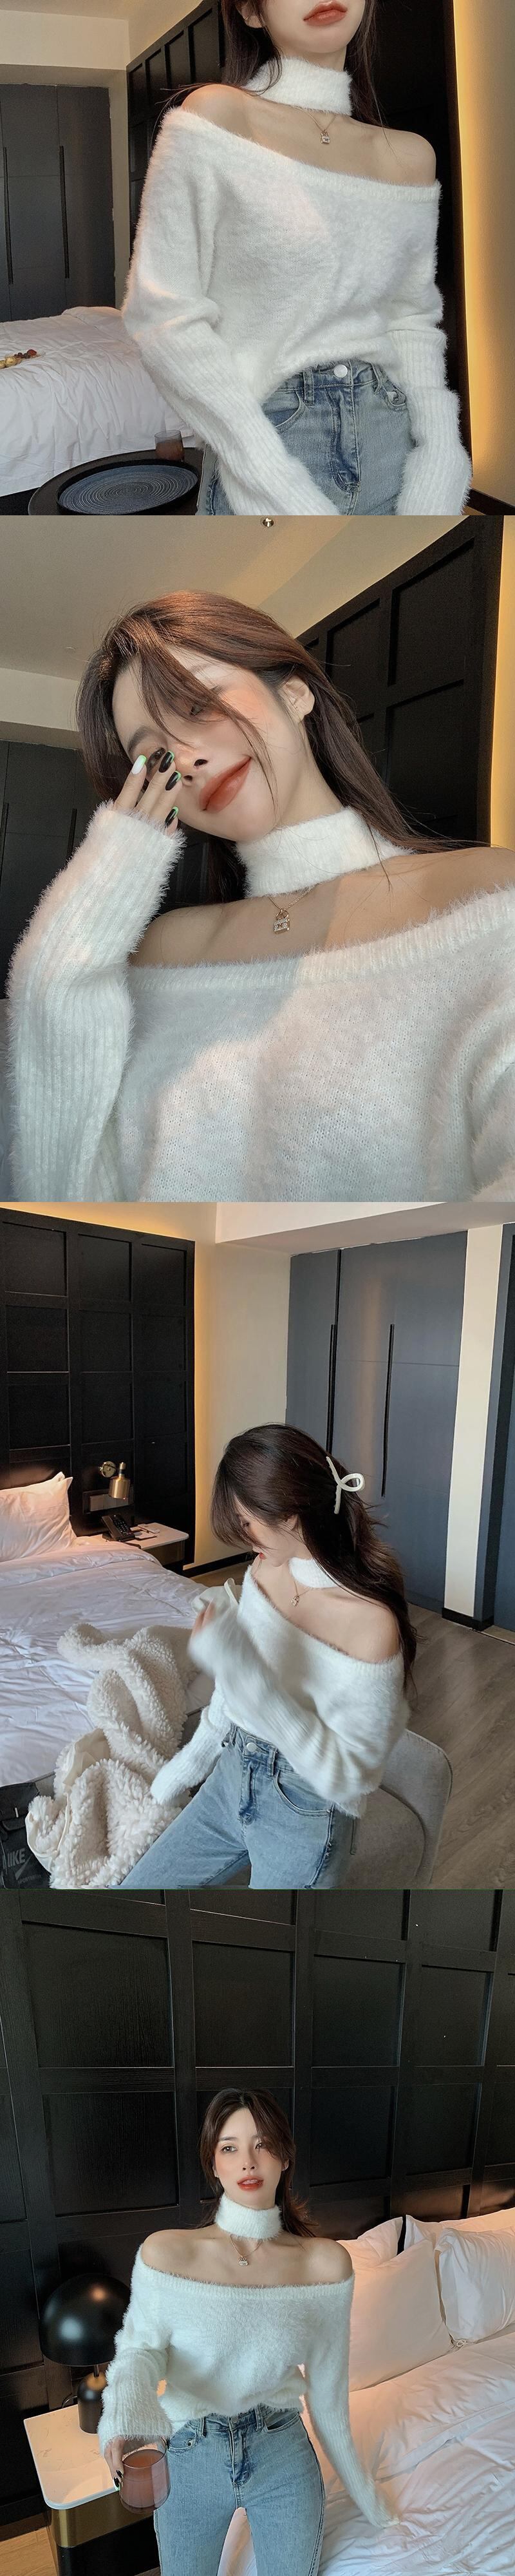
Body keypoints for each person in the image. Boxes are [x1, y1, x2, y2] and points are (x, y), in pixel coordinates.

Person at [6, 591, 515, 1202]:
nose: (186, 759)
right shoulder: (165, 951)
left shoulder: (484, 899)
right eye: (155, 756)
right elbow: (65, 1186)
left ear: (294, 694)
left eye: (199, 704)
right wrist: (110, 873)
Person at [121, 0, 471, 518]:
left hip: (391, 438)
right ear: (251, 11)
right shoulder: (216, 116)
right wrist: (270, 476)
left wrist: (441, 458)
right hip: (271, 443)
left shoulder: (411, 155)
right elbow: (162, 314)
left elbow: (411, 318)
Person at [99, 2086, 397, 2575]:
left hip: (282, 2449)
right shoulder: (167, 2254)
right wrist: (125, 2416)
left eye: (263, 2144)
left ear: (285, 2156)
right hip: (191, 2450)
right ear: (214, 2165)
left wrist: (368, 2497)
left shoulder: (324, 2265)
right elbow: (141, 2350)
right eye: (230, 2147)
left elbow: (328, 2398)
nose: (248, 2161)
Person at [119, 1425, 414, 1890]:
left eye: (246, 1522)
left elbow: (349, 1778)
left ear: (291, 1515)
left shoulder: (370, 1623)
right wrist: (189, 1765)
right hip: (231, 1773)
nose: (243, 1536)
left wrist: (244, 1670)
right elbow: (233, 1695)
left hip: (304, 1812)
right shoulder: (265, 1568)